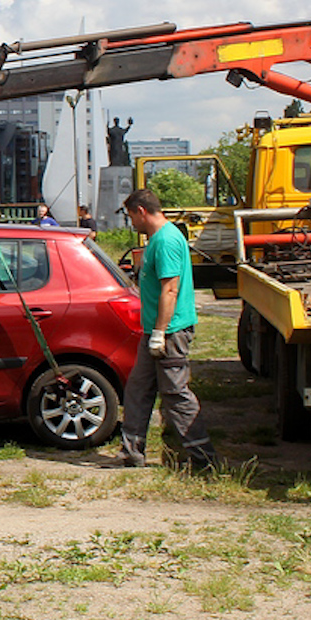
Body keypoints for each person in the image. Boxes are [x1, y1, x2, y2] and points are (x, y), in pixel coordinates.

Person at [117, 187, 216, 470]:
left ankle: (204, 458)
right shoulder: (158, 239)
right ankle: (131, 452)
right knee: (138, 388)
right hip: (157, 331)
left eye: (131, 217)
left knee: (175, 393)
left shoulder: (167, 241)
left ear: (141, 211)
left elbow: (170, 289)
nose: (132, 223)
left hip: (170, 332)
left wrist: (160, 332)